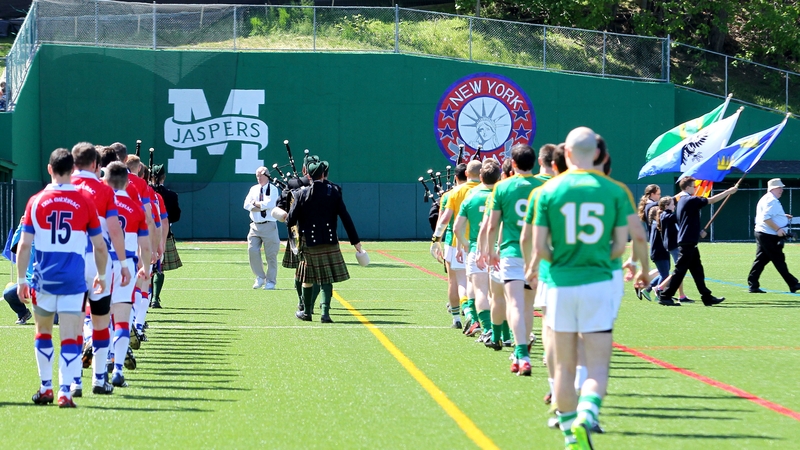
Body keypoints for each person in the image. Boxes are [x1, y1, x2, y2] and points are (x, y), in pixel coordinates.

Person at [530, 127, 648, 449]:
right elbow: (620, 245)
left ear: (564, 155)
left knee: (564, 368)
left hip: (560, 285)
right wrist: (641, 269)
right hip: (597, 283)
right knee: (596, 367)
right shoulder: (615, 190)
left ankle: (571, 437)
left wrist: (561, 262)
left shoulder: (547, 191)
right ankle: (586, 415)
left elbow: (540, 247)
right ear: (598, 153)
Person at [17, 148, 108, 408]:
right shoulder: (84, 200)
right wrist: (101, 275)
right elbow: (99, 246)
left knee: (43, 332)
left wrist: (22, 280)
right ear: (72, 170)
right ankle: (65, 392)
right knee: (70, 336)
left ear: (50, 169)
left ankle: (46, 387)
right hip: (73, 282)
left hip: (43, 280)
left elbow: (24, 245)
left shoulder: (36, 200)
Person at [71, 142, 131, 396]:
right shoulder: (103, 189)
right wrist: (124, 262)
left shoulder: (63, 187)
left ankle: (73, 382)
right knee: (100, 321)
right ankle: (99, 378)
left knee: (71, 326)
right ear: (96, 165)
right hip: (98, 261)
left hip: (69, 263)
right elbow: (115, 230)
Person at [485, 144, 546, 376]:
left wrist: (490, 251)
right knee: (528, 306)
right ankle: (524, 351)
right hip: (537, 255)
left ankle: (521, 353)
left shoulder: (502, 187)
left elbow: (492, 225)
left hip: (511, 253)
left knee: (515, 305)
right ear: (535, 162)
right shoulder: (545, 187)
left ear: (513, 162)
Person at [288, 157, 362, 323]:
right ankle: (325, 314)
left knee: (308, 278)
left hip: (309, 241)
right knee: (326, 278)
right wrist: (355, 242)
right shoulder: (334, 191)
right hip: (329, 239)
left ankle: (306, 313)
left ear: (309, 175)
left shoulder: (301, 193)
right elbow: (345, 217)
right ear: (323, 175)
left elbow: (290, 220)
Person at [104, 161, 151, 387]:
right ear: (127, 181)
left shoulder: (98, 205)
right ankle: (118, 370)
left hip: (100, 264)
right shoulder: (136, 209)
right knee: (122, 319)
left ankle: (102, 365)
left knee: (98, 318)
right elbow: (146, 245)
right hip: (127, 265)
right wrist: (147, 268)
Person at [657, 177, 737, 306]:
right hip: (688, 241)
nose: (695, 189)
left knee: (697, 271)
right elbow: (711, 200)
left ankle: (707, 296)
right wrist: (729, 191)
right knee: (680, 271)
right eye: (694, 186)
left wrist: (697, 232)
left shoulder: (681, 201)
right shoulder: (690, 199)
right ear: (687, 187)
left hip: (688, 240)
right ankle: (665, 296)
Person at [453, 159, 501, 344]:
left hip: (476, 248)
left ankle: (486, 328)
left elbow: (457, 227)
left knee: (479, 290)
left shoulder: (471, 195)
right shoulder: (502, 194)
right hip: (499, 249)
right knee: (499, 294)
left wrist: (464, 244)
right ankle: (504, 334)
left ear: (481, 176)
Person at [747, 178, 800, 293]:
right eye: (779, 188)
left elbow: (768, 215)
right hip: (768, 235)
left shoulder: (767, 199)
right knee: (779, 259)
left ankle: (753, 284)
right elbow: (766, 218)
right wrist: (778, 229)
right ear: (773, 188)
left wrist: (782, 215)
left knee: (761, 260)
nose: (781, 190)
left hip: (763, 233)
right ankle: (794, 284)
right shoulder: (771, 200)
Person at [244, 166, 281, 290]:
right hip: (255, 225)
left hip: (269, 225)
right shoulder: (253, 189)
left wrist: (256, 204)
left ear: (267, 176)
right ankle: (260, 277)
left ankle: (271, 281)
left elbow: (271, 204)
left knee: (271, 255)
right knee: (252, 250)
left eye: (261, 175)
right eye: (257, 176)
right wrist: (258, 206)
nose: (259, 178)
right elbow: (246, 204)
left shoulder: (273, 189)